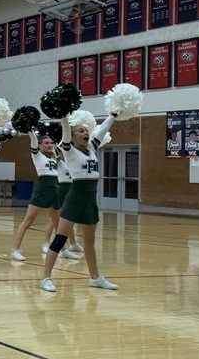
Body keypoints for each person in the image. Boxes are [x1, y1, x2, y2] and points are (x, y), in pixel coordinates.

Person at [39, 112, 119, 292]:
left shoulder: (91, 148)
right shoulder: (69, 150)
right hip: (75, 198)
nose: (86, 133)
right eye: (81, 131)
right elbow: (66, 130)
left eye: (86, 131)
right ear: (73, 137)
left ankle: (95, 278)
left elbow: (103, 128)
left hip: (90, 199)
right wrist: (63, 115)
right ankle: (45, 278)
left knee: (89, 242)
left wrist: (114, 113)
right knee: (60, 239)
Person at [11, 129, 61, 261]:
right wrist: (30, 131)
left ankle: (61, 249)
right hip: (42, 190)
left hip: (55, 191)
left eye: (51, 143)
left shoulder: (54, 157)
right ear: (39, 145)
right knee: (28, 221)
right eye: (46, 143)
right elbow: (32, 140)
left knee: (58, 224)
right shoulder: (37, 156)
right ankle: (16, 250)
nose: (50, 145)